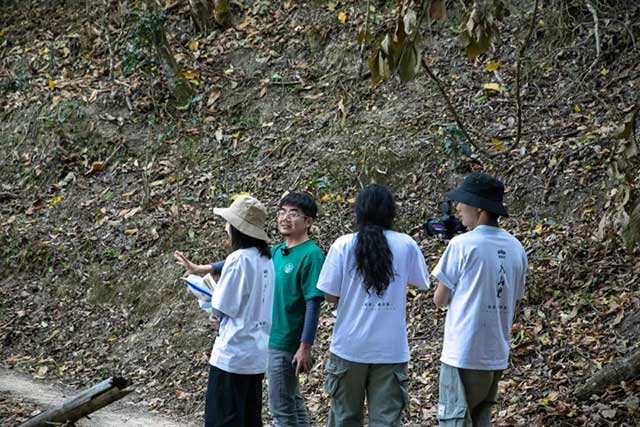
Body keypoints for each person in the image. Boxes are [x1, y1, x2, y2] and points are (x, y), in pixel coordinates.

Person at [316, 184, 430, 427]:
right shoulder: (406, 244)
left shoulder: (343, 245)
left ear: (359, 212)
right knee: (387, 421)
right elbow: (421, 283)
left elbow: (329, 294)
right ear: (390, 213)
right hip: (390, 349)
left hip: (348, 347)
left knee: (344, 419)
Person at [432, 172, 528, 427]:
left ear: (478, 207)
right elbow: (514, 300)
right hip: (495, 354)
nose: (459, 209)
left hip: (462, 353)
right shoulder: (517, 248)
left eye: (462, 203)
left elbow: (440, 299)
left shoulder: (462, 245)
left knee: (453, 421)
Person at [174, 195, 274, 427]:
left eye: (229, 222)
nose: (226, 227)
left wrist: (202, 292)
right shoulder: (266, 259)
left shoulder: (238, 259)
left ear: (237, 228)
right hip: (257, 353)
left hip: (233, 353)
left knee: (223, 419)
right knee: (248, 417)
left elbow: (221, 305)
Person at [267, 192, 325, 427]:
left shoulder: (312, 254)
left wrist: (305, 347)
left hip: (287, 341)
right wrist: (205, 268)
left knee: (282, 411)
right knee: (293, 405)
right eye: (282, 212)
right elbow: (245, 262)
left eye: (293, 213)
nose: (285, 218)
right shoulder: (276, 251)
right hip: (272, 336)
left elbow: (314, 302)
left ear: (308, 222)